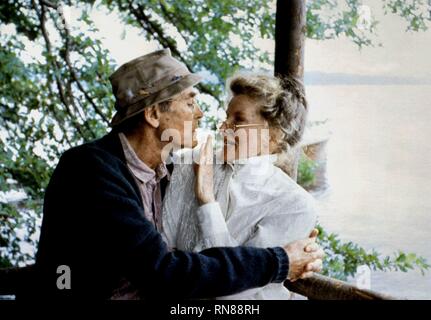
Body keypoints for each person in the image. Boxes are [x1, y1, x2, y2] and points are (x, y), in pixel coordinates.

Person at [33, 49, 324, 299]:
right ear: (153, 115)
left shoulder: (164, 170)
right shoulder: (92, 170)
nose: (200, 114)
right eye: (189, 102)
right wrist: (280, 261)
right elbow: (164, 270)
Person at [162, 73, 318, 299]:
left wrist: (207, 200)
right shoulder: (189, 164)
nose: (224, 128)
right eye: (227, 117)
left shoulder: (295, 204)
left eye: (239, 119)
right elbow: (165, 260)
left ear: (273, 134)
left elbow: (232, 292)